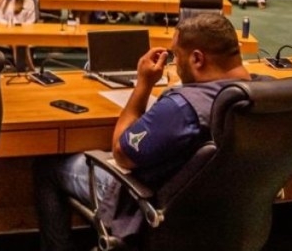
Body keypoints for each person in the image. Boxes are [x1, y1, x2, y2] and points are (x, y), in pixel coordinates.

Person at [35, 14, 253, 250]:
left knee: (47, 168)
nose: (175, 64)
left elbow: (121, 153)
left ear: (197, 59)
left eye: (176, 55)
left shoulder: (181, 108)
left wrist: (143, 84)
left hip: (150, 201)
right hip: (228, 214)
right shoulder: (269, 95)